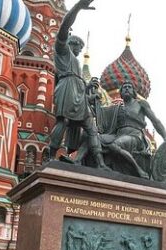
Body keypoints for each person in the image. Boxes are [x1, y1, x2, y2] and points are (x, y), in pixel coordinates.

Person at [48, 0, 107, 169]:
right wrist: (78, 8)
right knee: (64, 121)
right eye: (78, 47)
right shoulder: (62, 50)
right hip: (66, 88)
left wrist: (88, 89)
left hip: (78, 93)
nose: (79, 51)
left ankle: (100, 163)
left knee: (91, 127)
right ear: (70, 43)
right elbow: (64, 27)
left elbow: (79, 83)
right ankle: (51, 156)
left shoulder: (75, 62)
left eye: (81, 48)